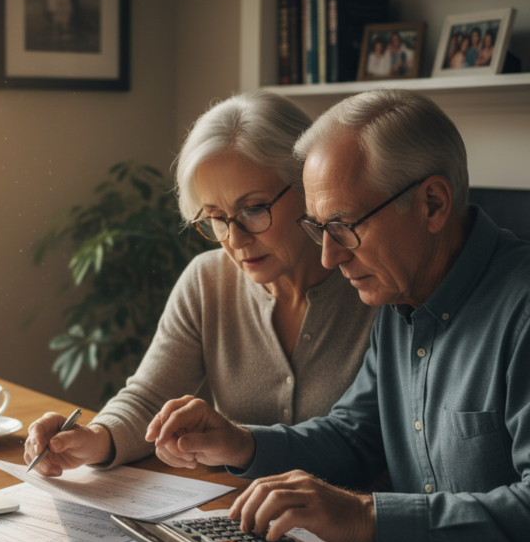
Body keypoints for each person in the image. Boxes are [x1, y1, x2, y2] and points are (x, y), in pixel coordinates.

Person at [147, 88, 530, 542]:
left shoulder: (520, 310)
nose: (331, 256)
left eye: (345, 225)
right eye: (319, 228)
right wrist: (241, 442)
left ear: (432, 203)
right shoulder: (400, 297)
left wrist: (365, 516)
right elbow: (354, 436)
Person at [24, 92, 377, 476]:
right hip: (235, 517)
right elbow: (149, 398)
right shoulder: (207, 280)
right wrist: (94, 438)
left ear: (307, 185)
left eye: (254, 210)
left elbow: (366, 442)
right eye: (215, 218)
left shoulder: (374, 286)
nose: (236, 240)